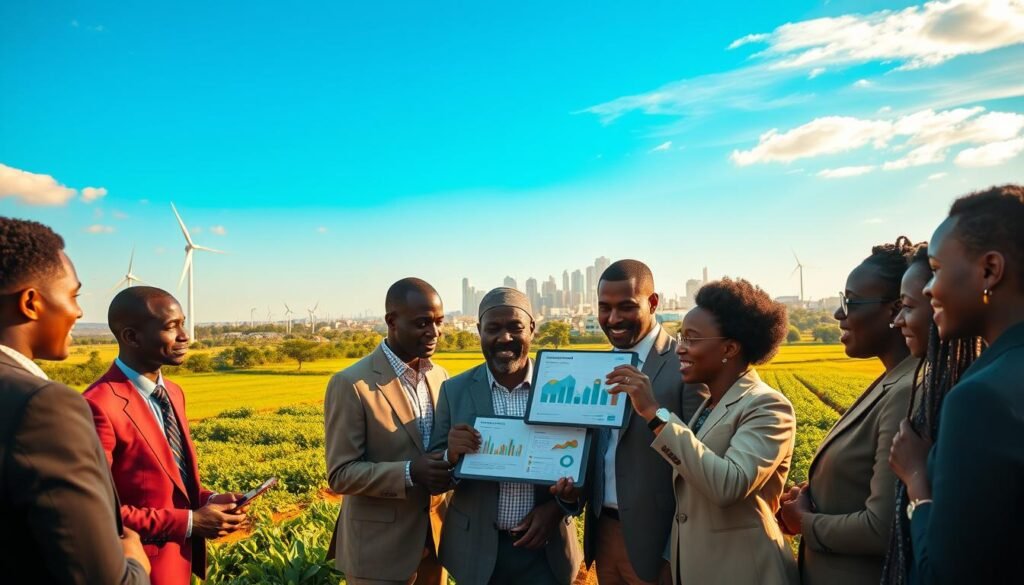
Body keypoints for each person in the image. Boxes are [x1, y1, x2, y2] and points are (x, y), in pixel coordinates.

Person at [610, 277, 797, 585]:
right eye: (681, 337)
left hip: (744, 570)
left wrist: (655, 414)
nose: (680, 349)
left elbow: (727, 485)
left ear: (729, 348)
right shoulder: (710, 404)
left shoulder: (767, 406)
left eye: (692, 339)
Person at [0, 216, 151, 584]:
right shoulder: (42, 405)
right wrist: (136, 564)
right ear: (31, 302)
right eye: (73, 295)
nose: (79, 312)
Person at [890, 184, 1024, 584]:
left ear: (989, 270)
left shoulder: (980, 398)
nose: (928, 288)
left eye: (935, 269)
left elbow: (944, 575)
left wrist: (917, 483)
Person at [83, 286, 244, 585]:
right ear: (132, 337)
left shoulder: (173, 392)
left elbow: (170, 483)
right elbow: (97, 511)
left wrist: (209, 500)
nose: (185, 336)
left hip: (178, 563)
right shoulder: (97, 405)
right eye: (172, 327)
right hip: (137, 569)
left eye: (183, 323)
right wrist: (191, 522)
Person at [780, 237, 918, 585]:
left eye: (851, 302)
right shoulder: (892, 380)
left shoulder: (906, 391)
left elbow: (882, 527)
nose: (839, 314)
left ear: (895, 310)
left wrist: (804, 522)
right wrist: (815, 494)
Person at [429, 287, 583, 585]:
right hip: (474, 551)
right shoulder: (454, 391)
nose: (504, 337)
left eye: (515, 327)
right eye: (493, 329)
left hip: (547, 549)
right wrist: (450, 455)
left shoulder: (563, 389)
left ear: (532, 329)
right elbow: (435, 475)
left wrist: (556, 509)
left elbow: (587, 465)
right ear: (479, 331)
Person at [583, 259, 707, 585]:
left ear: (652, 303)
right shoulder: (594, 368)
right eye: (604, 308)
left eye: (626, 307)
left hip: (660, 542)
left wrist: (672, 551)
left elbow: (700, 458)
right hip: (604, 532)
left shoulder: (686, 364)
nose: (613, 319)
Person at [324, 278, 451, 585]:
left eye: (438, 322)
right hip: (377, 553)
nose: (434, 332)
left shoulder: (440, 376)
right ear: (392, 322)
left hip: (435, 544)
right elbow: (341, 474)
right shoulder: (352, 384)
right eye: (422, 323)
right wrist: (410, 472)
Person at [881, 243, 983, 584]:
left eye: (908, 307)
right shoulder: (947, 390)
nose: (897, 321)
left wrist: (915, 478)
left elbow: (944, 566)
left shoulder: (968, 401)